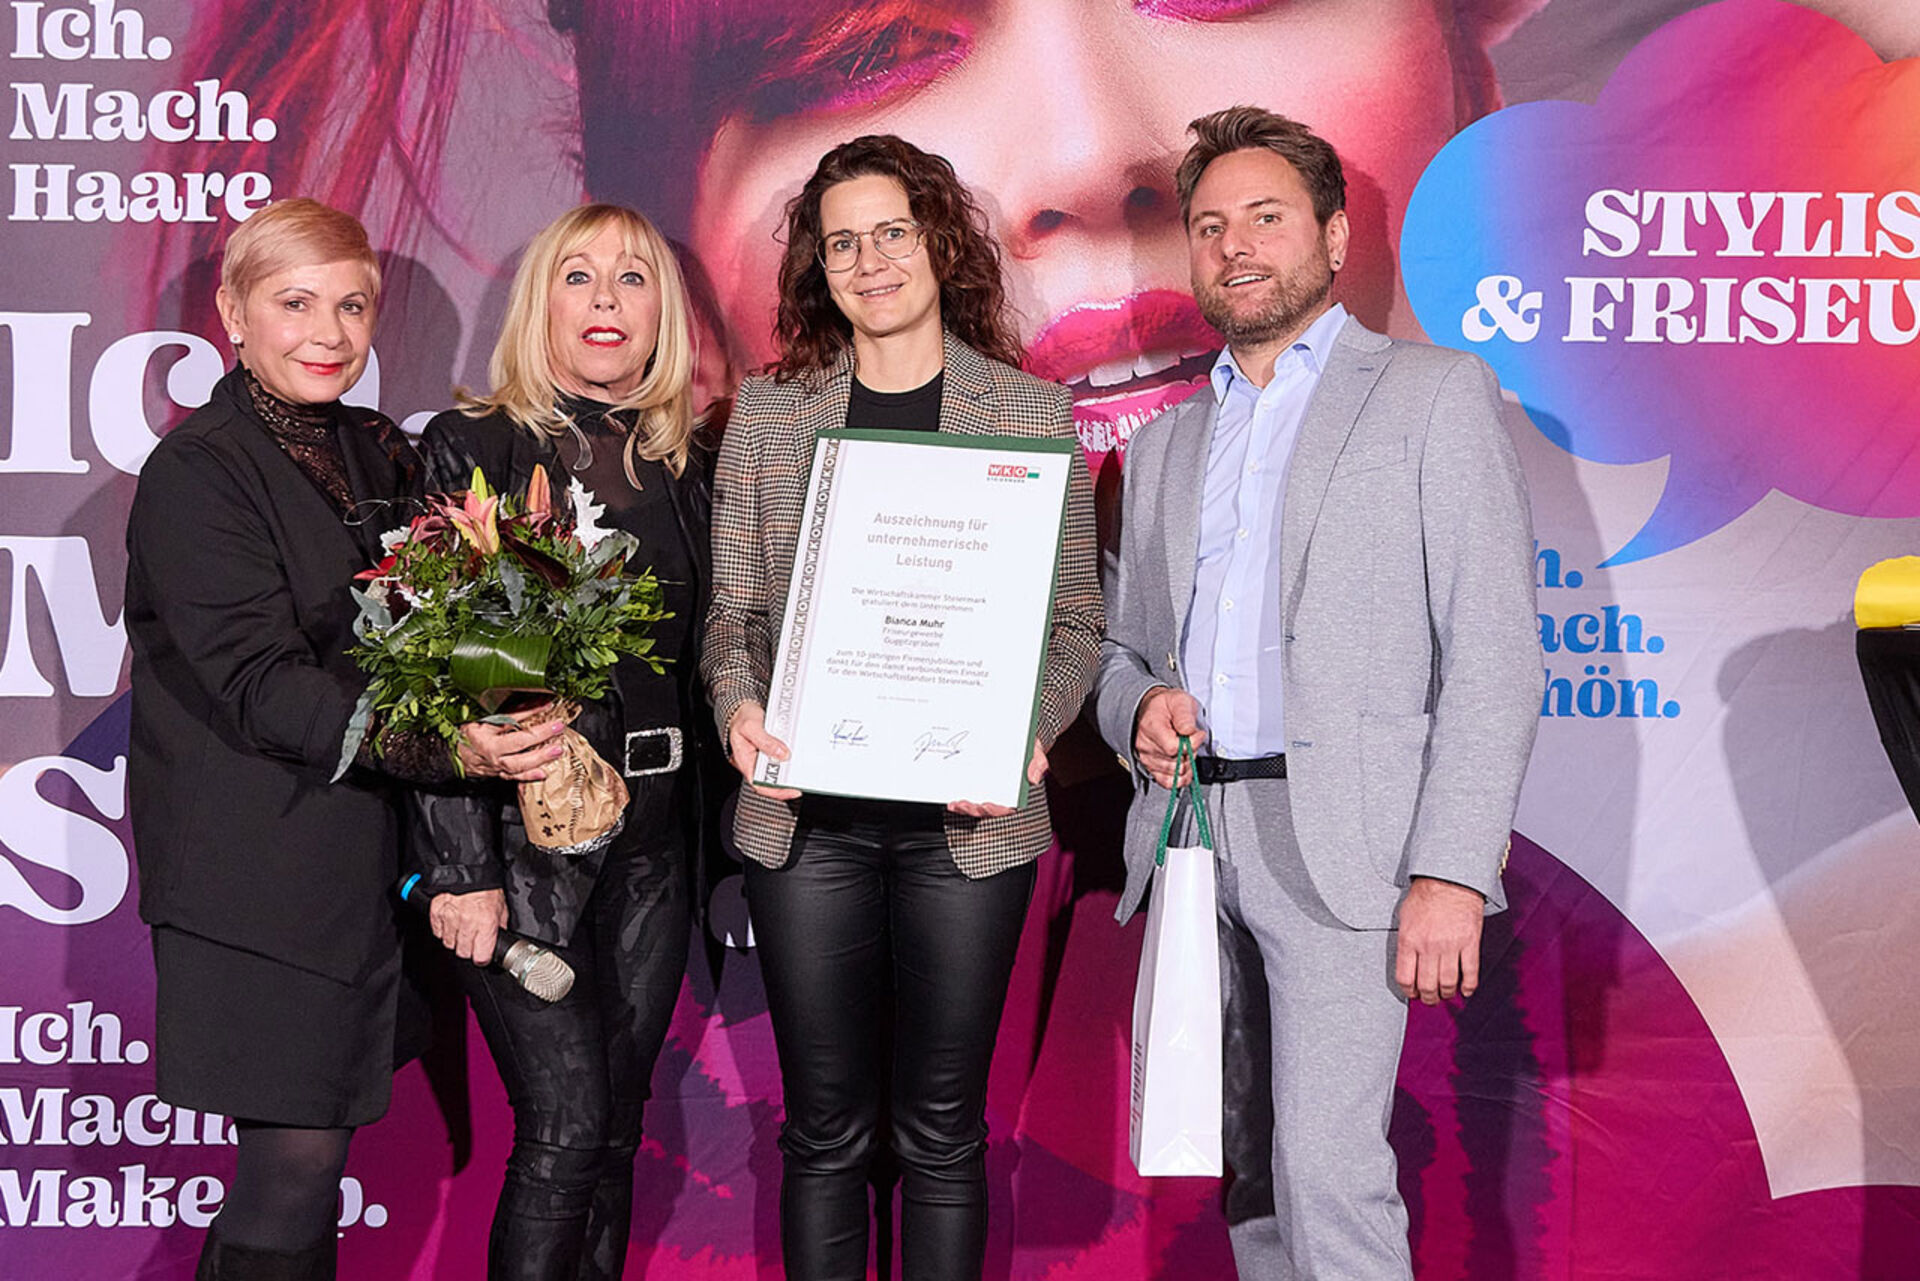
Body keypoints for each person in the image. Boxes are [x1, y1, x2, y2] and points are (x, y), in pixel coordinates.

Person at [1091, 107, 1543, 1278]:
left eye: (1265, 217)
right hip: (1192, 841)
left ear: (1334, 239)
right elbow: (1119, 652)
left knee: (1329, 1175)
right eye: (1209, 226)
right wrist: (1135, 711)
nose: (1234, 245)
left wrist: (1452, 869)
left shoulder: (1433, 395)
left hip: (1347, 842)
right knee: (1246, 1172)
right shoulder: (1162, 448)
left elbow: (1495, 652)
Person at [124, 197, 560, 1280]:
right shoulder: (198, 472)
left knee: (312, 1173)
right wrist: (451, 748)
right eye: (295, 303)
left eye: (352, 306)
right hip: (258, 876)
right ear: (233, 314)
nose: (328, 333)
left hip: (367, 872)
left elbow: (449, 628)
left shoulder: (381, 453)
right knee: (292, 1173)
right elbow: (259, 685)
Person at [700, 135, 1103, 1280]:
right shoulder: (770, 416)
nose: (870, 261)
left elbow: (1076, 623)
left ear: (939, 243)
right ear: (817, 268)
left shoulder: (1029, 415)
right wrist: (739, 712)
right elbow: (731, 617)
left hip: (966, 833)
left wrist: (1028, 730)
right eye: (843, 244)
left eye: (892, 232)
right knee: (825, 1135)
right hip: (807, 827)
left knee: (941, 1136)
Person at [407, 202, 715, 1281]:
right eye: (578, 276)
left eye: (632, 278)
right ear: (541, 302)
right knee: (565, 1131)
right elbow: (437, 673)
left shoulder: (685, 461)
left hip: (657, 845)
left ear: (662, 312)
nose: (605, 300)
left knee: (615, 1133)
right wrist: (461, 869)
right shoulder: (476, 446)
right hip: (526, 849)